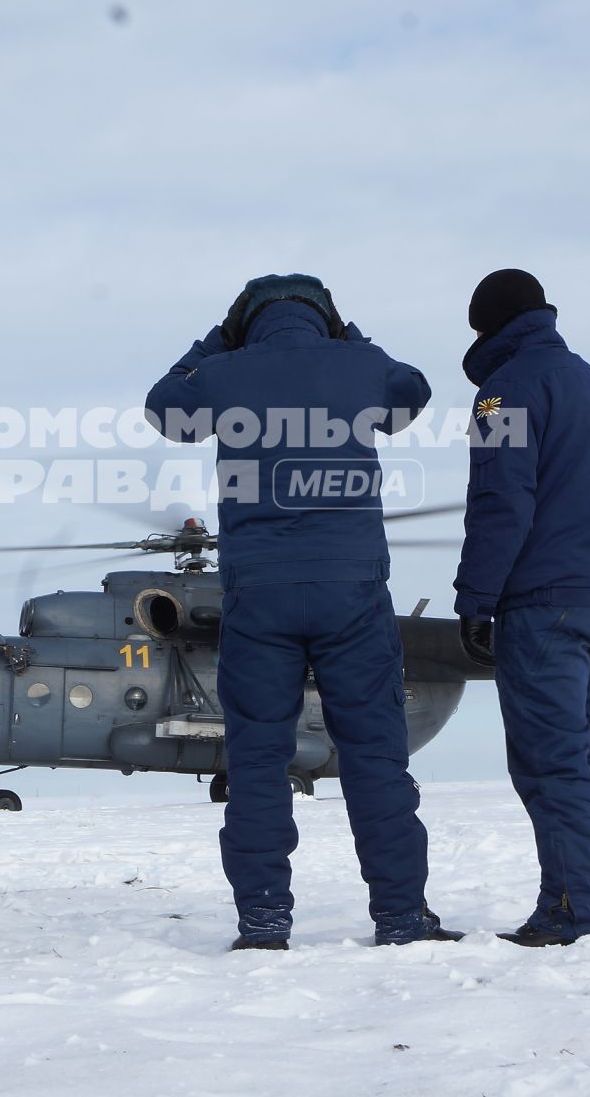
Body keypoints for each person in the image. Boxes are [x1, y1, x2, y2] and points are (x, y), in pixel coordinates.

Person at [146, 274, 457, 951]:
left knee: (258, 759)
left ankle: (263, 920)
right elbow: (413, 392)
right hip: (353, 591)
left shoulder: (224, 371)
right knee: (376, 755)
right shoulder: (362, 364)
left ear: (244, 323)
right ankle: (401, 916)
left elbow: (164, 407)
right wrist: (351, 341)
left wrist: (213, 344)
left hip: (261, 595)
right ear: (325, 317)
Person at [452, 268, 590, 946]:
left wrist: (476, 599)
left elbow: (502, 500)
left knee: (553, 764)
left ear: (487, 327)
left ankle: (567, 912)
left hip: (543, 606)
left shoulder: (505, 392)